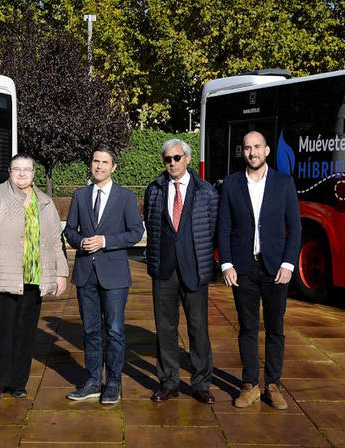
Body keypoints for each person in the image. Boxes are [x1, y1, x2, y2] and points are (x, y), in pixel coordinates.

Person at [0, 152, 69, 407]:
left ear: (34, 173)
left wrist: (61, 273)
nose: (22, 174)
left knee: (24, 334)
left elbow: (55, 240)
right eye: (17, 169)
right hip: (0, 278)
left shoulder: (45, 202)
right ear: (10, 172)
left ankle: (18, 383)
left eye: (27, 169)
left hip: (32, 280)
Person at [218, 130, 301, 410]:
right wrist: (226, 263)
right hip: (243, 268)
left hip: (276, 268)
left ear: (267, 151)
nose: (252, 152)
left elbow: (295, 227)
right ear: (242, 152)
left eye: (257, 147)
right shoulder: (231, 184)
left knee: (276, 328)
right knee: (247, 328)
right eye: (246, 148)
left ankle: (273, 385)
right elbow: (224, 226)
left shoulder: (284, 183)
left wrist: (289, 263)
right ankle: (250, 385)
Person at [63, 146, 144, 404]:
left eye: (104, 162)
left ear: (113, 167)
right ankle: (92, 381)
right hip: (86, 273)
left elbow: (135, 232)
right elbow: (69, 231)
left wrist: (105, 241)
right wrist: (81, 241)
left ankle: (113, 383)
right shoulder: (80, 195)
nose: (99, 166)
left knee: (115, 331)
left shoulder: (125, 197)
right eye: (96, 161)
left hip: (115, 276)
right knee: (90, 331)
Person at [143, 138, 218, 405]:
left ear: (187, 158)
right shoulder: (154, 190)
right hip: (163, 269)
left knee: (198, 329)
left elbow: (212, 229)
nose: (172, 163)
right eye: (167, 159)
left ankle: (201, 383)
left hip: (195, 269)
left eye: (176, 158)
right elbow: (151, 227)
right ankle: (169, 382)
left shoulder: (206, 191)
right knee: (165, 328)